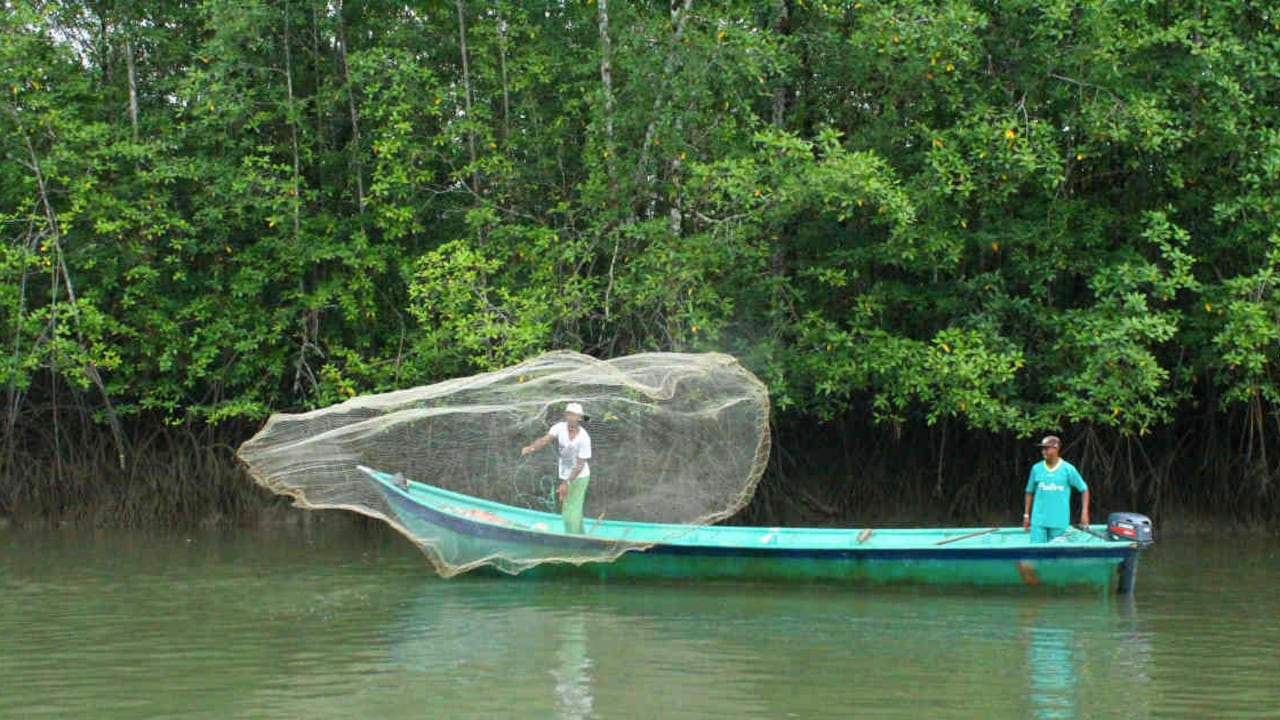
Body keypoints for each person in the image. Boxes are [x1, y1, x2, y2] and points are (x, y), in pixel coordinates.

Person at [522, 402, 592, 534]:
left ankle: (572, 539)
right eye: (569, 414)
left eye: (574, 415)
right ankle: (580, 535)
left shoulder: (584, 438)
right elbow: (544, 440)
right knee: (572, 507)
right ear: (566, 415)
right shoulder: (560, 428)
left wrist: (567, 483)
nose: (571, 418)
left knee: (570, 510)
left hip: (580, 476)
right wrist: (531, 447)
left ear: (580, 418)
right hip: (566, 474)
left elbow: (580, 465)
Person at [1022, 435, 1089, 543]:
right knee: (1036, 553)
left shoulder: (1068, 469)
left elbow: (1084, 489)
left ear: (1056, 448)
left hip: (1059, 521)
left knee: (1056, 556)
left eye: (1047, 448)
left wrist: (1084, 513)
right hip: (1038, 520)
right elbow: (1029, 492)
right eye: (1042, 449)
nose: (1043, 451)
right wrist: (1026, 515)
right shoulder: (1036, 468)